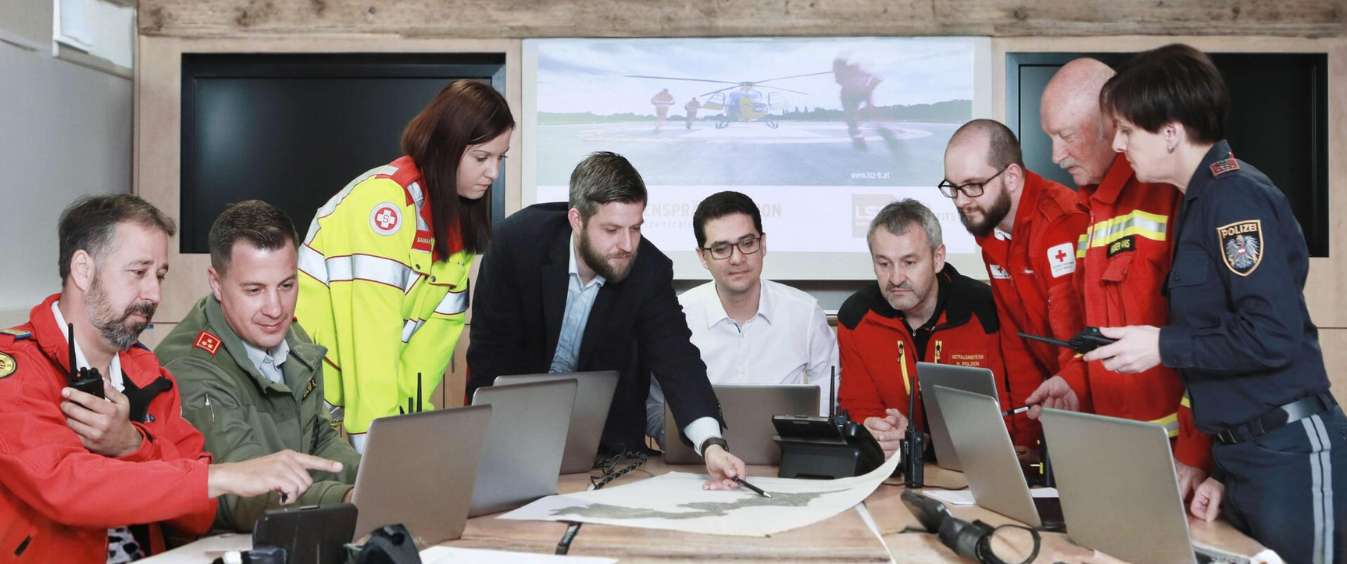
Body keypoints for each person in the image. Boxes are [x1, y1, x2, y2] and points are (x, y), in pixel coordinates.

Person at [1085, 43, 1343, 562]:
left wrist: (1161, 345)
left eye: (1128, 131)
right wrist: (1219, 469)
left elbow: (1271, 335)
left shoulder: (1235, 198)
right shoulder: (1199, 201)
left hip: (1287, 454)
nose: (1117, 144)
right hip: (1245, 458)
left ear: (1172, 133)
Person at [0, 195, 342, 562]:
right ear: (83, 269)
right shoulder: (16, 368)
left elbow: (196, 516)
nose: (155, 294)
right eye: (138, 272)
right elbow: (66, 487)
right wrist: (221, 477)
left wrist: (133, 446)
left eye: (159, 275)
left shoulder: (150, 374)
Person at [467, 152, 747, 490]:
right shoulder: (517, 245)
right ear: (577, 220)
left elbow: (677, 357)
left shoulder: (649, 269)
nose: (627, 245)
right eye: (612, 229)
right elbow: (490, 355)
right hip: (510, 442)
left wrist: (711, 444)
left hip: (609, 453)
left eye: (635, 228)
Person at [296, 79, 514, 452]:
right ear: (445, 148)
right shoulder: (383, 206)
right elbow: (370, 340)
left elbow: (425, 360)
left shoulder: (457, 232)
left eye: (500, 159)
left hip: (336, 413)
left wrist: (408, 442)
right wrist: (381, 454)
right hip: (298, 401)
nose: (493, 173)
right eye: (482, 158)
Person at [1039, 58, 1212, 496]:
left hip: (1179, 460)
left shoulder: (1175, 192)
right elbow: (1096, 333)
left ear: (1111, 123)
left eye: (1066, 136)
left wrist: (1196, 453)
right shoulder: (1088, 209)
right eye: (1050, 138)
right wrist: (1071, 383)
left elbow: (1211, 336)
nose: (1055, 156)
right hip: (1113, 451)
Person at [158, 201, 362, 532]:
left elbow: (318, 441)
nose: (275, 308)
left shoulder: (290, 334)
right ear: (216, 282)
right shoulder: (191, 367)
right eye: (254, 290)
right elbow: (241, 495)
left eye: (287, 285)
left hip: (293, 528)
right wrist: (348, 499)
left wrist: (375, 479)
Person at [941, 119, 1088, 454]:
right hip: (1052, 406)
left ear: (1011, 176)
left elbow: (1071, 337)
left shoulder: (1062, 223)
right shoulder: (990, 231)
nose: (961, 200)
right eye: (952, 187)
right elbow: (1018, 342)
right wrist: (1026, 440)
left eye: (973, 185)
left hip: (1089, 407)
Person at [645, 191, 838, 447]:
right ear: (703, 256)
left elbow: (829, 399)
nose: (737, 259)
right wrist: (693, 443)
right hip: (696, 467)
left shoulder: (804, 312)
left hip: (785, 462)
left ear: (763, 244)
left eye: (747, 243)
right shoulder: (676, 316)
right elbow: (654, 407)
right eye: (721, 248)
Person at [838, 199, 1025, 459]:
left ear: (938, 259)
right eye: (884, 264)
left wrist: (925, 443)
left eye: (909, 262)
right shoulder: (856, 317)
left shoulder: (987, 311)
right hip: (892, 468)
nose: (895, 278)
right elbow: (859, 405)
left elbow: (1008, 417)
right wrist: (880, 430)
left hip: (977, 466)